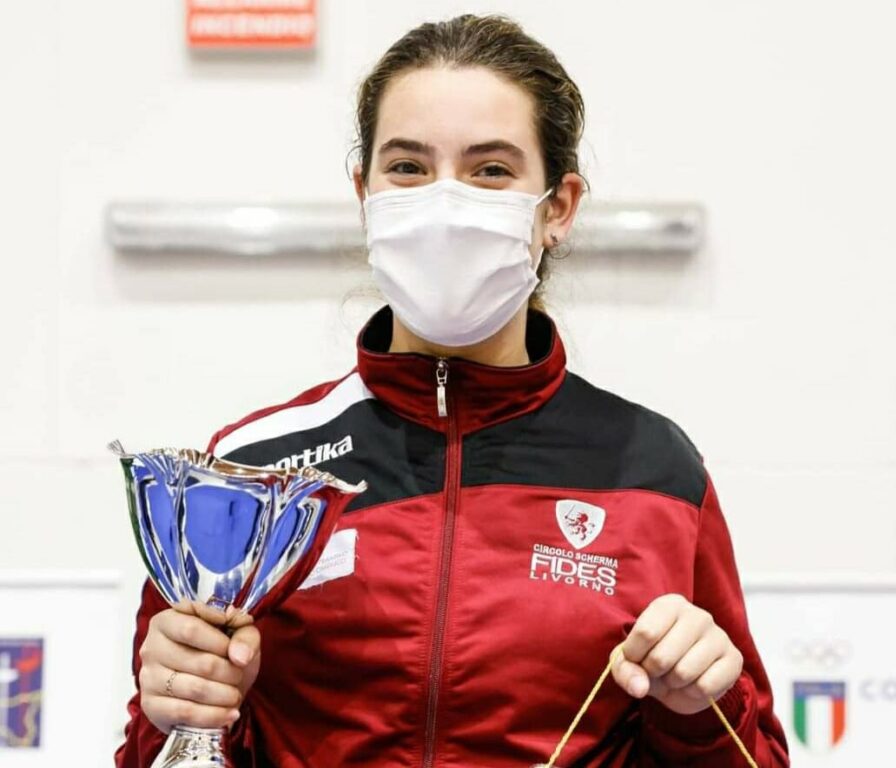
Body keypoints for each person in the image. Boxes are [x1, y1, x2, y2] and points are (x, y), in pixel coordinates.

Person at [116, 14, 789, 768]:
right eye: (408, 167)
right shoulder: (253, 472)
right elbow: (161, 752)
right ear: (365, 194)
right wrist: (177, 714)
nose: (444, 204)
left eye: (490, 170)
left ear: (558, 207)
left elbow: (753, 756)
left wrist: (700, 712)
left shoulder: (655, 470)